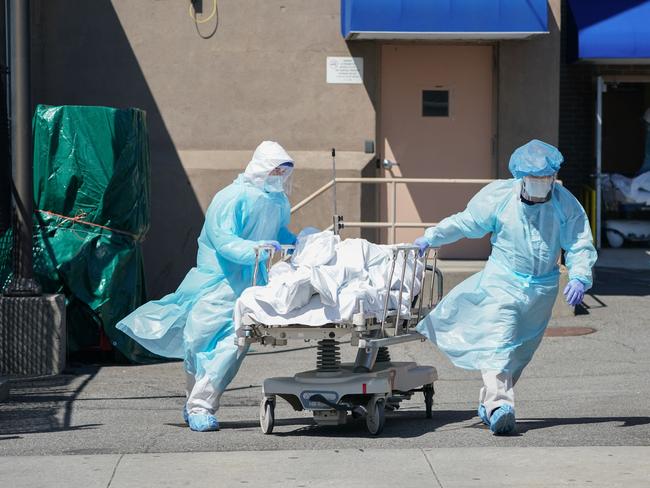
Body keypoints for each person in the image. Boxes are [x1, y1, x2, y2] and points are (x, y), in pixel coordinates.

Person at [413, 139, 597, 435]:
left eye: (545, 178)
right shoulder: (500, 197)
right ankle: (501, 406)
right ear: (521, 176)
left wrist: (579, 276)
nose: (540, 183)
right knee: (500, 342)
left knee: (520, 353)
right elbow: (468, 222)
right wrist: (433, 236)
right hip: (504, 281)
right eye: (534, 178)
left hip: (542, 289)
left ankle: (489, 404)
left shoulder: (564, 202)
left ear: (553, 177)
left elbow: (578, 243)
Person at [117, 141, 300, 431]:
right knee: (198, 342)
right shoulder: (232, 197)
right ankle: (194, 402)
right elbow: (223, 240)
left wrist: (294, 241)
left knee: (232, 346)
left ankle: (201, 405)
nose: (279, 176)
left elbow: (277, 232)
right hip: (217, 283)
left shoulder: (277, 202)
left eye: (284, 171)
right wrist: (256, 249)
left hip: (250, 287)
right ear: (262, 167)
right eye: (275, 169)